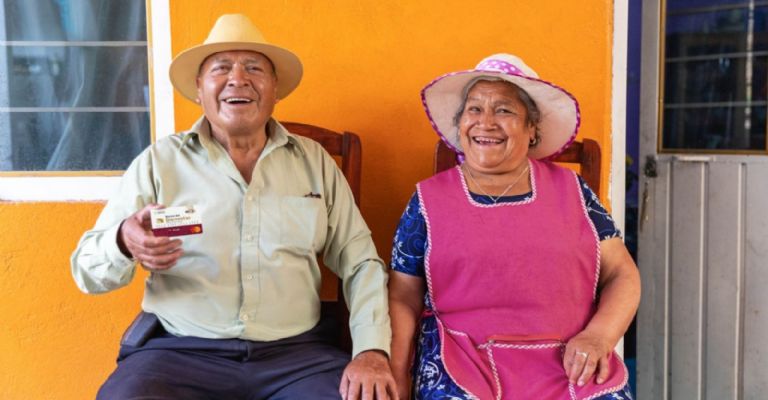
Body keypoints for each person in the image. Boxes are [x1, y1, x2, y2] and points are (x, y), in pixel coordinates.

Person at [71, 14, 397, 400]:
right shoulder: (159, 162)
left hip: (296, 356)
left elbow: (360, 262)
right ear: (198, 89)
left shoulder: (314, 162)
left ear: (275, 89)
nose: (238, 79)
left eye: (254, 68)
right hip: (180, 354)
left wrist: (372, 350)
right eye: (221, 68)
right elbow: (87, 272)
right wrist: (124, 241)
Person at [388, 54, 641, 399]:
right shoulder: (427, 200)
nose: (485, 122)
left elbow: (622, 274)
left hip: (570, 362)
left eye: (504, 110)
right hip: (463, 362)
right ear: (460, 123)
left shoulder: (574, 191)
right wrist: (398, 373)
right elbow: (403, 294)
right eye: (474, 109)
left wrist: (599, 336)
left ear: (532, 129)